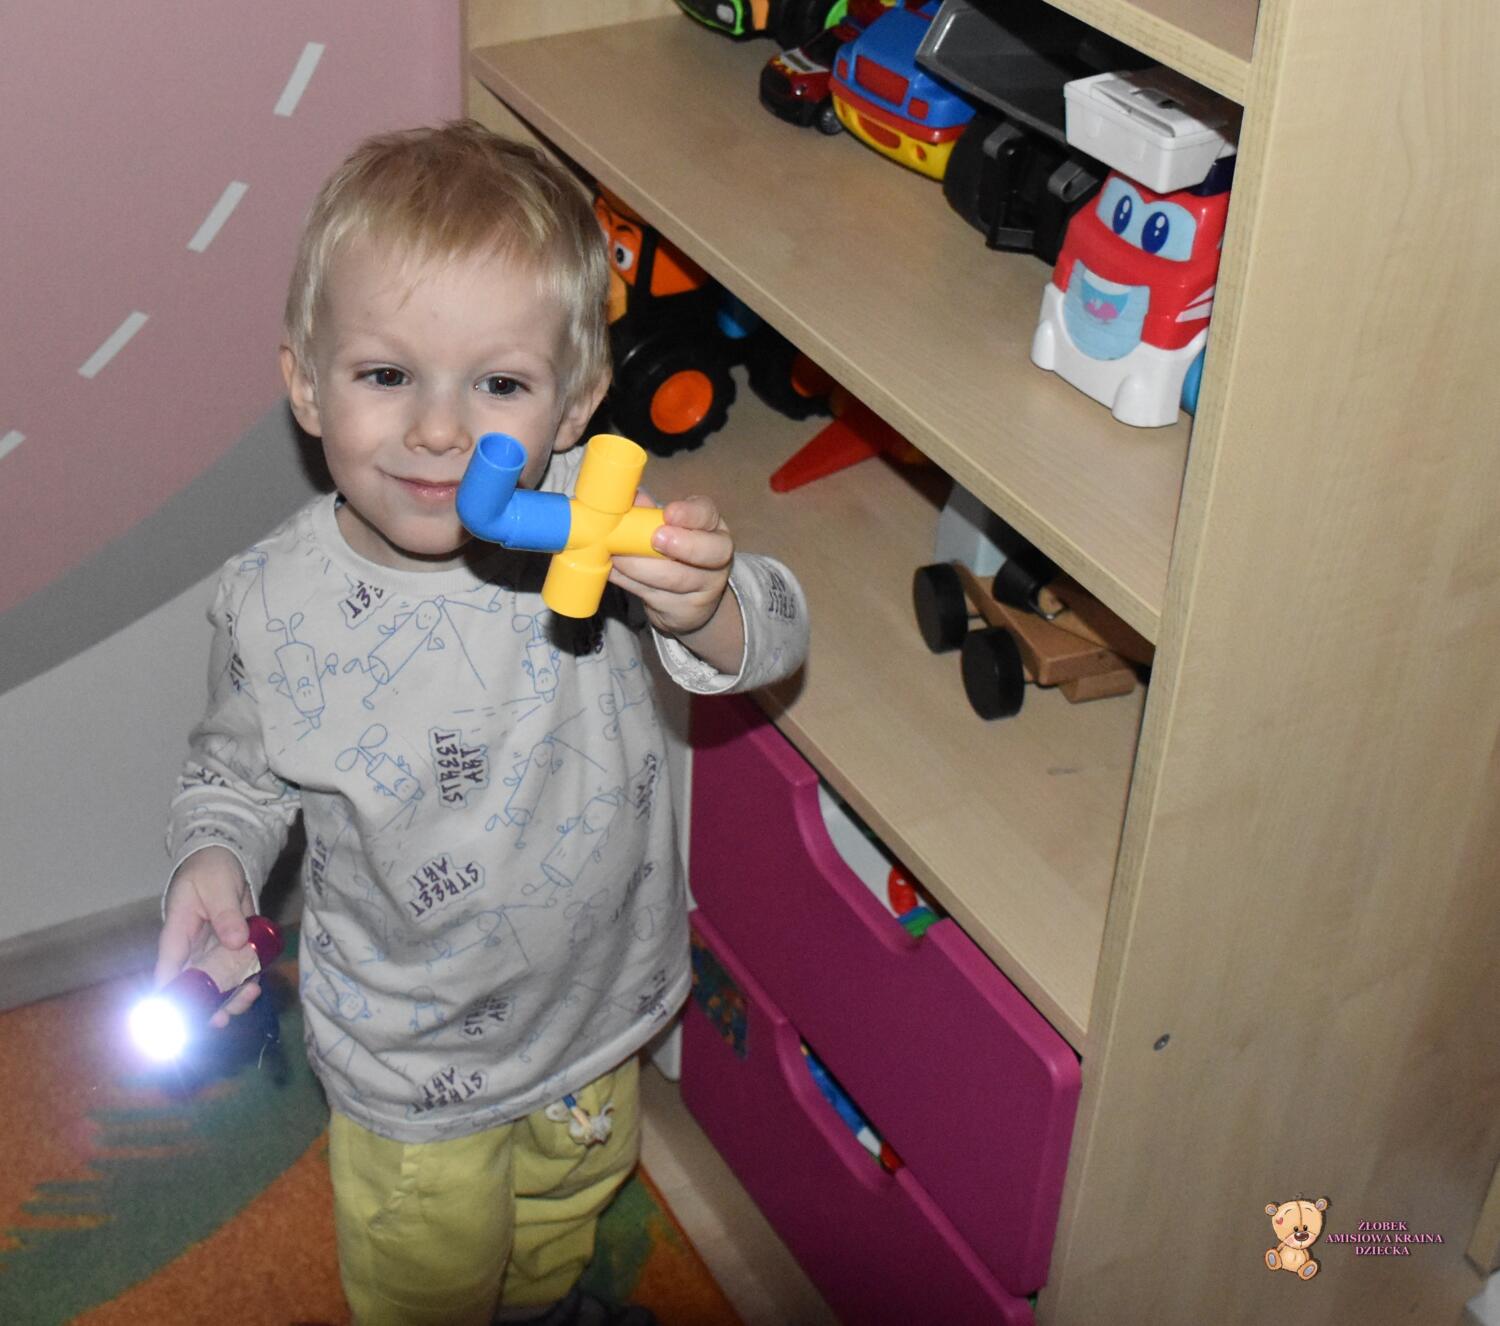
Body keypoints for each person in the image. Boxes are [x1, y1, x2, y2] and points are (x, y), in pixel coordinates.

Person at [152, 121, 808, 1326]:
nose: (440, 431)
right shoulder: (270, 603)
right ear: (306, 384)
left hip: (598, 1010)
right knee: (430, 1275)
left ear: (576, 405)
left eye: (499, 384)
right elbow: (236, 777)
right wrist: (213, 860)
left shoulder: (598, 526)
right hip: (411, 1060)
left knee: (565, 1216)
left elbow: (773, 642)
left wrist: (706, 604)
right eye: (386, 375)